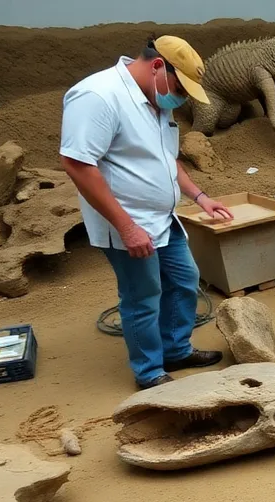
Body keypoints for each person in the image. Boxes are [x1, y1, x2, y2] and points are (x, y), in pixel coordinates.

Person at [60, 37, 233, 390]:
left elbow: (168, 159)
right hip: (128, 223)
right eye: (179, 87)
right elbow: (77, 163)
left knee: (185, 282)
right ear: (158, 66)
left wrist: (200, 197)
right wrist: (126, 227)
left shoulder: (156, 99)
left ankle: (176, 350)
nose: (180, 98)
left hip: (164, 218)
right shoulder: (98, 96)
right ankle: (149, 370)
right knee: (143, 296)